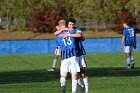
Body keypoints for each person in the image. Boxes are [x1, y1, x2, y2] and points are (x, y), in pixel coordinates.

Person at [61, 18, 88, 93]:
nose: (71, 26)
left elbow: (80, 35)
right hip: (71, 55)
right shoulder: (64, 31)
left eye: (73, 24)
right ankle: (81, 86)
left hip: (79, 54)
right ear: (67, 24)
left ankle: (86, 90)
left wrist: (69, 34)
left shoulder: (77, 29)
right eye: (70, 24)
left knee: (82, 72)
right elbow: (56, 33)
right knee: (73, 72)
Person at [56, 20, 80, 93]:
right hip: (73, 55)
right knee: (74, 73)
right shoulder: (72, 31)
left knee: (63, 75)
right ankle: (74, 91)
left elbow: (59, 47)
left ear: (59, 27)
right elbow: (79, 35)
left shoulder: (57, 36)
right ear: (66, 25)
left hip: (64, 56)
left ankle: (63, 86)